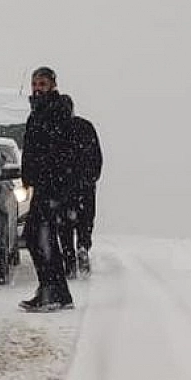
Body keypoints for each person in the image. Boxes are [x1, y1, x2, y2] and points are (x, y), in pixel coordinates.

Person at [19, 66, 81, 312]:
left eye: (42, 84)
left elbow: (63, 153)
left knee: (39, 238)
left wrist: (61, 188)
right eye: (35, 84)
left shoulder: (57, 112)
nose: (37, 88)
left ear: (53, 85)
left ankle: (51, 291)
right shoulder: (38, 112)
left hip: (53, 187)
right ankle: (56, 291)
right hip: (42, 186)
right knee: (39, 238)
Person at [59, 97, 103, 277]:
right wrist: (91, 177)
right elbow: (96, 155)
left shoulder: (56, 130)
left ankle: (69, 260)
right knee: (85, 219)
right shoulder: (85, 127)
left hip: (64, 186)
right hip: (84, 185)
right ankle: (83, 246)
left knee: (64, 224)